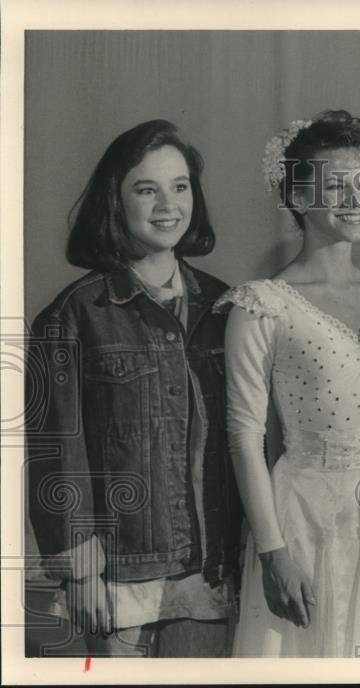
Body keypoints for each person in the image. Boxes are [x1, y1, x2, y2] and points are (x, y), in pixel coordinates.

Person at [217, 110, 360, 657]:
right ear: (298, 196)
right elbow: (244, 435)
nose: (356, 198)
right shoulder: (262, 305)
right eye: (336, 185)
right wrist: (273, 551)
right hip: (306, 518)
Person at [26, 119, 241, 657]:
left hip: (210, 569)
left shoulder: (226, 306)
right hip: (120, 576)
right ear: (115, 202)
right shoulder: (74, 315)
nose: (168, 204)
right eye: (147, 189)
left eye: (180, 186)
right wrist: (80, 574)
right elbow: (59, 455)